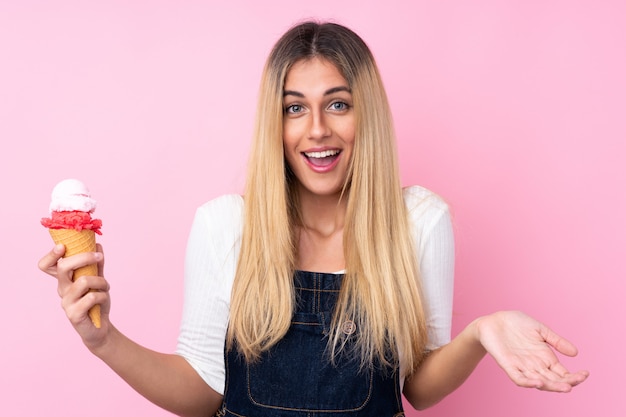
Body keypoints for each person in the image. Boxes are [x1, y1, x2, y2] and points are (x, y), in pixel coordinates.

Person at [38, 21, 588, 417]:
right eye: (295, 107)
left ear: (364, 113)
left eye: (339, 104)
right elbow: (204, 393)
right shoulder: (225, 226)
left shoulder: (419, 220)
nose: (317, 129)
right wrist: (102, 339)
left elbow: (417, 388)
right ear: (274, 123)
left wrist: (479, 333)